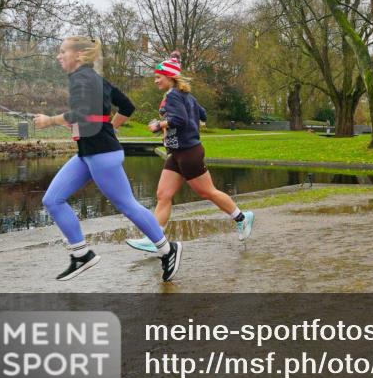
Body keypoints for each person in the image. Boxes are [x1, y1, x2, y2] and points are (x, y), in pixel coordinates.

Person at [33, 36, 182, 282]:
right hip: (88, 154)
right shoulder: (96, 79)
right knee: (52, 199)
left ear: (78, 56)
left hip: (101, 154)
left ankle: (168, 250)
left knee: (127, 205)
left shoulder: (83, 79)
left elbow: (82, 113)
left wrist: (49, 120)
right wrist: (110, 126)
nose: (58, 56)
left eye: (62, 52)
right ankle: (81, 254)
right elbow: (126, 106)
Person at [126, 52, 255, 252]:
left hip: (188, 153)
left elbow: (180, 119)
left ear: (169, 77)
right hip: (177, 152)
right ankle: (155, 239)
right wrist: (185, 122)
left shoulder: (173, 96)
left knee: (207, 192)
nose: (155, 80)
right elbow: (202, 115)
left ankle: (242, 217)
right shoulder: (185, 95)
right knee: (163, 194)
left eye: (158, 77)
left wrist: (159, 125)